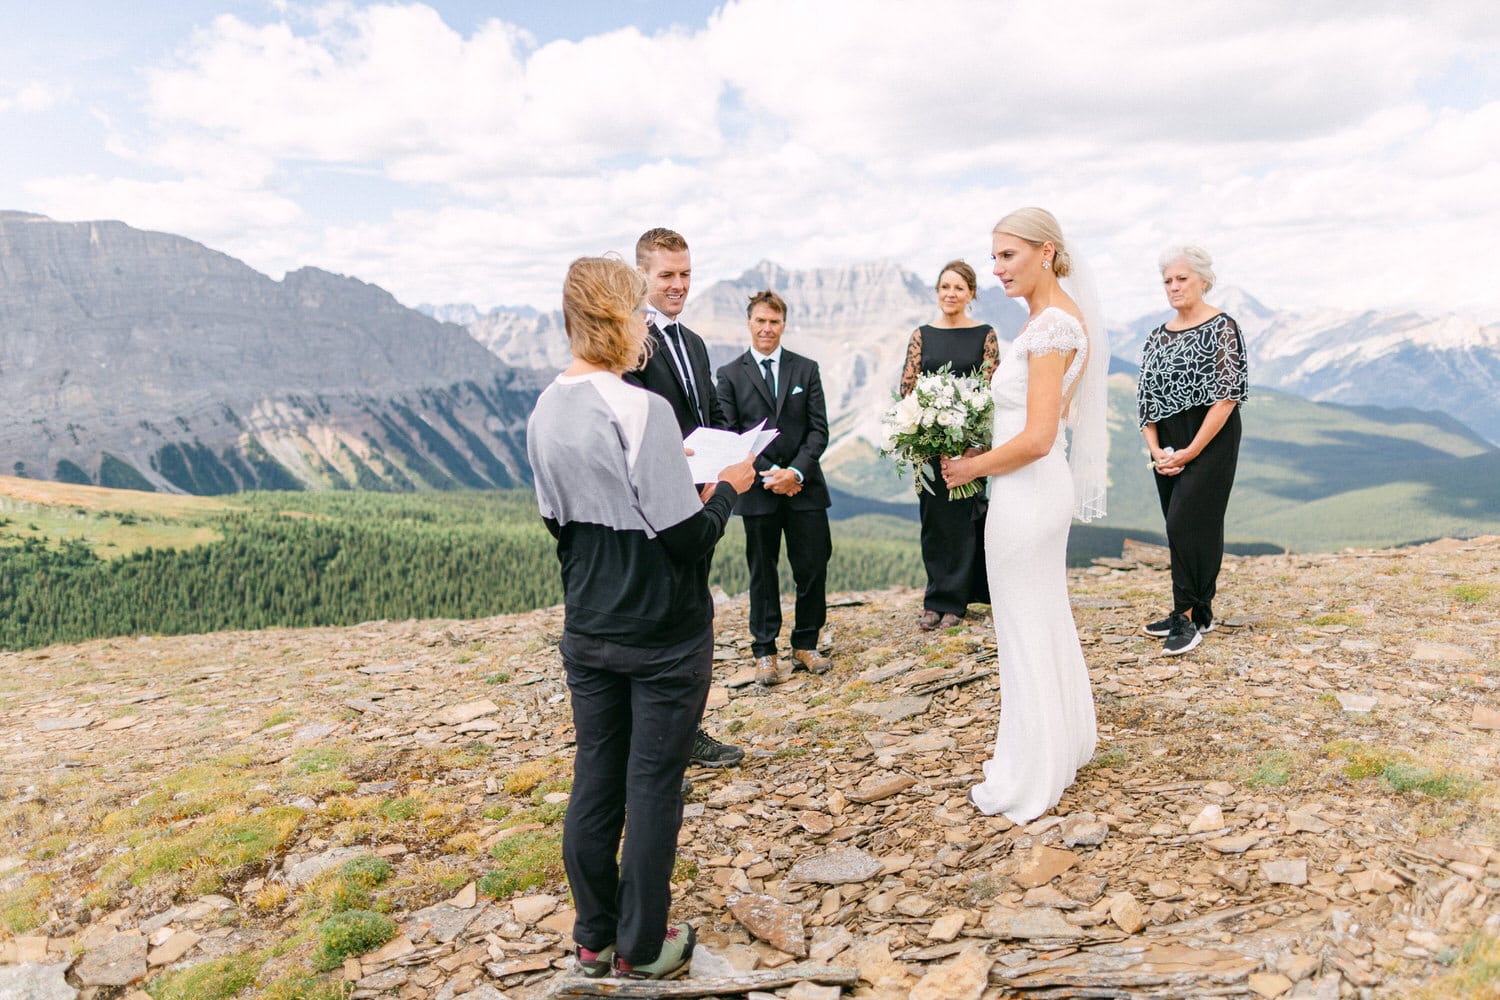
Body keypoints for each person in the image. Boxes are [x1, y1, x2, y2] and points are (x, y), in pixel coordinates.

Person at [527, 255, 755, 980]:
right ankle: (642, 946)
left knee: (595, 774)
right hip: (663, 627)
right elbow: (686, 537)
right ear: (624, 319)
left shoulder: (544, 408)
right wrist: (727, 488)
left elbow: (557, 522)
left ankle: (592, 939)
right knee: (653, 782)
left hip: (588, 621)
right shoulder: (643, 409)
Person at [941, 208, 1107, 824]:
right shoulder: (1051, 319)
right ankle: (1058, 744)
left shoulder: (1052, 328)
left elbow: (1039, 436)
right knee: (1039, 613)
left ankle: (1034, 767)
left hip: (1028, 488)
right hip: (1031, 488)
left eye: (1008, 255)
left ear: (1045, 252)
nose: (997, 268)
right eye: (994, 256)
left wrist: (971, 466)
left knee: (1023, 620)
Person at [623, 227, 744, 769]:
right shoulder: (628, 345)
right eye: (667, 275)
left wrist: (732, 455)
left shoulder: (694, 343)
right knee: (655, 624)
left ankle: (688, 732)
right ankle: (651, 751)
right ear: (642, 276)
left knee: (695, 615)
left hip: (700, 498)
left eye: (686, 274)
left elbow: (710, 413)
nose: (678, 285)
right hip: (651, 505)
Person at [715, 291, 834, 686]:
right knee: (762, 572)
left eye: (775, 322)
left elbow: (819, 430)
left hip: (805, 487)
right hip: (757, 488)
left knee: (812, 565)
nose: (768, 328)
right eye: (761, 321)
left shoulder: (806, 369)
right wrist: (771, 474)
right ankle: (764, 650)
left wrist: (796, 473)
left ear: (784, 325)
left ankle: (806, 642)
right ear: (749, 323)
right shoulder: (730, 375)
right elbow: (732, 434)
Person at [1136, 244, 1248, 655]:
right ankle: (1200, 609)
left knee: (1187, 520)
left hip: (1211, 436)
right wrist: (1157, 450)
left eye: (1182, 278)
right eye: (1167, 280)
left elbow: (1226, 397)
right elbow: (1146, 400)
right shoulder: (1156, 335)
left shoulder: (1222, 327)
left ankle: (1183, 618)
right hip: (1166, 440)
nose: (1174, 286)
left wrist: (1192, 451)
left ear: (1203, 280)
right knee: (1181, 521)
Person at [899, 260, 999, 631]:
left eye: (958, 288)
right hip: (928, 446)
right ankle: (934, 599)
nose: (950, 294)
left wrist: (974, 446)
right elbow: (907, 389)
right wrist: (924, 434)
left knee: (962, 520)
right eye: (944, 287)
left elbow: (989, 392)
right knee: (933, 521)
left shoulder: (984, 334)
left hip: (970, 448)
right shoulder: (922, 334)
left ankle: (956, 602)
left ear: (971, 293)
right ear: (937, 291)